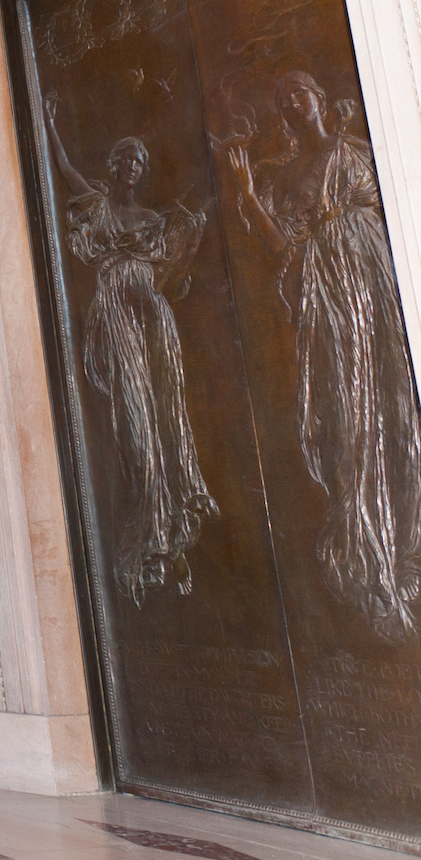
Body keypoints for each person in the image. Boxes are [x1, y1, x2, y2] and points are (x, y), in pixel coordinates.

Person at [222, 70, 421, 641]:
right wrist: (246, 193)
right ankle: (370, 552)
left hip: (373, 280)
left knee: (392, 400)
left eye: (299, 91)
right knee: (349, 415)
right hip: (327, 299)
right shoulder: (283, 176)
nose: (291, 101)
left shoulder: (354, 149)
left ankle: (409, 545)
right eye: (282, 98)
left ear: (316, 98)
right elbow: (282, 243)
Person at [47, 95, 216, 604]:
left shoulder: (155, 220)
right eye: (124, 158)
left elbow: (174, 266)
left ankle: (173, 525)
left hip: (153, 317)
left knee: (167, 413)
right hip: (116, 315)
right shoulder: (98, 207)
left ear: (143, 172)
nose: (131, 165)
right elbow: (65, 169)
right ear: (113, 164)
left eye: (139, 161)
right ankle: (147, 525)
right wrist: (51, 125)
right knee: (135, 418)